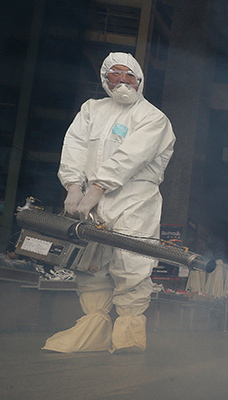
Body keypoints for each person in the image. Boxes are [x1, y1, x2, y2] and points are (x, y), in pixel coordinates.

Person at [43, 52, 175, 353]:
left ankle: (129, 332)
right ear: (105, 79)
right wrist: (74, 186)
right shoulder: (91, 110)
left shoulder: (153, 118)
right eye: (116, 74)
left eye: (130, 76)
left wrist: (99, 186)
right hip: (90, 199)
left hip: (134, 199)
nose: (124, 81)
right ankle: (94, 327)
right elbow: (74, 146)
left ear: (140, 81)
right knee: (91, 262)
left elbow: (132, 155)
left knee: (131, 263)